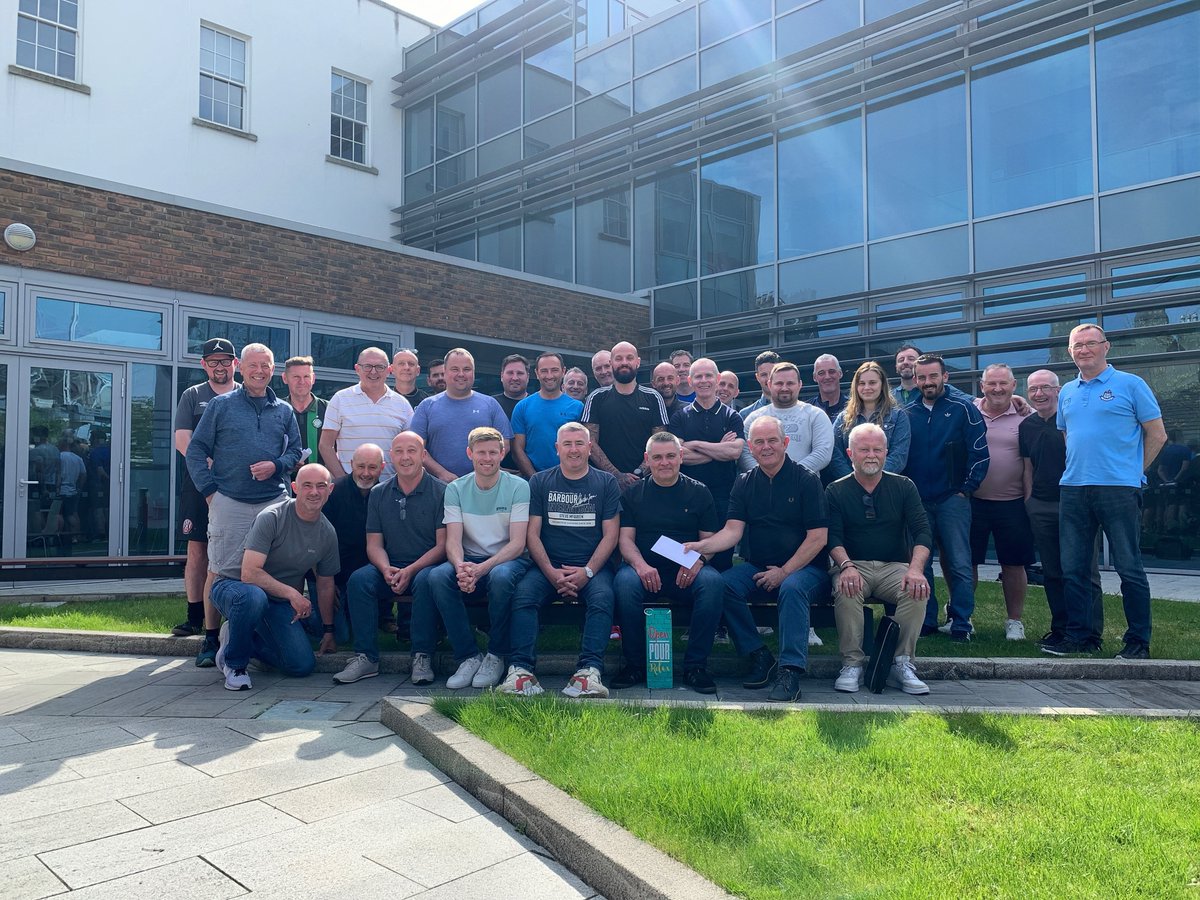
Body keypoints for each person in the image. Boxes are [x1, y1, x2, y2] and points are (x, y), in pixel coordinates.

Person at [1051, 324, 1166, 659]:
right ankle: (1081, 637)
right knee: (1073, 568)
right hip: (1073, 488)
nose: (1084, 350)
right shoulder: (1068, 391)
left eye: (1091, 343)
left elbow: (1157, 434)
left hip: (1118, 488)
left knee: (1129, 567)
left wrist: (1134, 473)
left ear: (1107, 346)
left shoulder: (1131, 384)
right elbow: (1067, 435)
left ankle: (1138, 641)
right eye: (1077, 345)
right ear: (1070, 352)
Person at [686, 416, 822, 699]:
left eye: (773, 440)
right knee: (721, 585)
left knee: (792, 588)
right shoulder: (744, 483)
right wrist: (703, 546)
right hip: (758, 565)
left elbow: (818, 538)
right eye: (759, 442)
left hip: (806, 569)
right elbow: (733, 532)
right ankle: (759, 654)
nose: (766, 447)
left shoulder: (807, 480)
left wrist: (785, 571)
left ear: (785, 443)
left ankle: (790, 671)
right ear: (750, 447)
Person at [186, 342, 302, 664]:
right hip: (230, 501)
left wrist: (276, 465)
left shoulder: (284, 410)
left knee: (275, 569)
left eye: (266, 365)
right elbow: (196, 450)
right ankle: (210, 639)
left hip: (274, 502)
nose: (260, 371)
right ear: (241, 366)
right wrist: (210, 492)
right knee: (220, 570)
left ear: (273, 370)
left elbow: (295, 452)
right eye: (253, 365)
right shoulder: (220, 406)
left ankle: (265, 630)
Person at [501, 422, 621, 697]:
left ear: (590, 448)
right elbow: (532, 534)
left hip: (592, 567)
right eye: (567, 444)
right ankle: (520, 671)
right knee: (523, 596)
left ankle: (589, 672)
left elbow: (610, 535)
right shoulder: (540, 481)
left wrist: (587, 572)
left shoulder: (606, 482)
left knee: (603, 599)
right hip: (548, 566)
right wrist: (552, 572)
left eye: (580, 443)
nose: (574, 449)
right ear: (557, 449)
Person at [210, 464, 340, 691]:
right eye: (307, 485)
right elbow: (249, 573)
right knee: (253, 598)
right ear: (294, 488)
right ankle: (235, 665)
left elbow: (326, 583)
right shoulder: (272, 517)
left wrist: (328, 630)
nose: (314, 492)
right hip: (234, 586)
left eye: (321, 486)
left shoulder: (327, 533)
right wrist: (293, 594)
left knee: (301, 665)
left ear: (330, 489)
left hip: (276, 600)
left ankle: (239, 638)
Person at [613, 432, 724, 692]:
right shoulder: (633, 494)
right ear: (647, 460)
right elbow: (625, 540)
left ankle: (696, 667)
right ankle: (635, 665)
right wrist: (640, 566)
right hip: (644, 569)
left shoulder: (699, 492)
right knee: (624, 584)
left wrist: (699, 561)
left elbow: (709, 541)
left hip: (686, 570)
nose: (665, 462)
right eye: (658, 457)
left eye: (671, 456)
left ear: (681, 457)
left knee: (714, 583)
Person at [827, 423, 932, 695]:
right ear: (851, 453)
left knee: (916, 589)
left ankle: (901, 663)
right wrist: (846, 567)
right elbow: (832, 539)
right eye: (864, 449)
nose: (871, 455)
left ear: (886, 452)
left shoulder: (904, 486)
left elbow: (922, 531)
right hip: (853, 564)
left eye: (877, 449)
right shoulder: (835, 491)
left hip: (893, 567)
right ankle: (852, 664)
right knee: (846, 587)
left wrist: (916, 569)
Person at [333, 431, 447, 685]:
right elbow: (373, 544)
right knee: (359, 580)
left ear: (423, 456)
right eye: (399, 451)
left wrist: (411, 570)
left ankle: (422, 655)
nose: (405, 457)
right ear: (391, 457)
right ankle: (366, 657)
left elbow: (443, 546)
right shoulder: (379, 493)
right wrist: (386, 569)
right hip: (390, 566)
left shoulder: (442, 491)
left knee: (427, 581)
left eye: (412, 450)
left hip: (426, 565)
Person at [423, 427, 530, 690]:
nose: (487, 458)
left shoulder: (519, 487)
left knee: (501, 577)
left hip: (507, 559)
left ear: (502, 453)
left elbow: (517, 544)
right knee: (437, 576)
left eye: (493, 452)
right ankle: (468, 656)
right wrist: (461, 568)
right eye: (481, 452)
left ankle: (496, 654)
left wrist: (480, 570)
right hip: (469, 557)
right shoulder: (456, 488)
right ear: (470, 453)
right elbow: (452, 540)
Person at [902, 354, 989, 641]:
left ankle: (961, 622)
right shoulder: (906, 412)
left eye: (933, 376)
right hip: (918, 502)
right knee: (921, 564)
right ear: (915, 380)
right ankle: (926, 619)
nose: (928, 382)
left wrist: (967, 488)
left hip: (954, 498)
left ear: (945, 377)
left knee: (959, 562)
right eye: (922, 377)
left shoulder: (964, 409)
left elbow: (980, 453)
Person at [1020, 369, 1103, 651]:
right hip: (1041, 505)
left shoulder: (1070, 421)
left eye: (1045, 388)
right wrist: (1030, 500)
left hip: (1075, 502)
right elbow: (1027, 466)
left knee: (1082, 571)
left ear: (1058, 390)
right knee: (1053, 572)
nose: (1039, 394)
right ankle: (1061, 629)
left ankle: (1091, 634)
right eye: (1033, 389)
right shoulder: (1027, 425)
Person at [171, 337, 238, 646]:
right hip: (199, 484)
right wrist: (208, 464)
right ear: (204, 365)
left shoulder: (245, 394)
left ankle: (236, 613)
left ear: (235, 364)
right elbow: (181, 439)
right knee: (197, 548)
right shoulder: (192, 395)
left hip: (238, 484)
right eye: (213, 361)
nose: (220, 366)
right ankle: (194, 616)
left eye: (225, 360)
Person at [970, 364, 1035, 641]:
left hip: (1013, 503)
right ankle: (962, 616)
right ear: (981, 385)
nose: (997, 389)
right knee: (965, 562)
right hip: (972, 501)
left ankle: (1014, 621)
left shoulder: (1027, 416)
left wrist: (1029, 501)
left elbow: (1030, 464)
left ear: (1013, 386)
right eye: (991, 383)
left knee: (1013, 564)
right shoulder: (968, 410)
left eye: (1003, 384)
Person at [669, 357, 744, 571]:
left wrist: (696, 444)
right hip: (687, 497)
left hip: (723, 497)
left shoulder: (732, 416)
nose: (704, 381)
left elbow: (735, 451)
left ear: (717, 379)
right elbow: (679, 455)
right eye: (698, 376)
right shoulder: (679, 417)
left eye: (708, 375)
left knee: (721, 562)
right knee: (685, 557)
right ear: (690, 381)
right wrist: (718, 449)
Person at [316, 443, 384, 645]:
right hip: (331, 576)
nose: (365, 473)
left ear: (382, 467)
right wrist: (326, 583)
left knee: (350, 632)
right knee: (341, 635)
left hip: (367, 575)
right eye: (360, 466)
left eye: (372, 467)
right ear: (351, 464)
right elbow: (315, 543)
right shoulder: (333, 493)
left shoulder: (386, 494)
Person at [410, 348, 513, 482]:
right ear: (445, 372)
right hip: (438, 486)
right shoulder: (427, 406)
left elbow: (505, 444)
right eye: (455, 369)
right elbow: (416, 447)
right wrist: (441, 473)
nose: (461, 374)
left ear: (473, 373)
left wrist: (482, 470)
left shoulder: (490, 405)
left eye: (466, 369)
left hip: (482, 485)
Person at [581, 341, 669, 491]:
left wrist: (639, 474)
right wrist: (616, 475)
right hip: (605, 485)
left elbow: (659, 442)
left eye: (629, 358)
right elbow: (590, 442)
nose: (624, 363)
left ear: (638, 362)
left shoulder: (654, 397)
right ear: (611, 363)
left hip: (645, 485)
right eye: (619, 358)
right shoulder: (596, 398)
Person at [319, 347, 413, 480]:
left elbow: (410, 448)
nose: (373, 372)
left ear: (389, 370)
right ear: (357, 369)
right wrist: (343, 481)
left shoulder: (402, 404)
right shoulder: (340, 399)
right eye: (367, 366)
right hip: (350, 487)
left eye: (380, 367)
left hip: (389, 488)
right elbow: (325, 445)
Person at [741, 363, 834, 475]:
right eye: (779, 383)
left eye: (790, 383)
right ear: (769, 385)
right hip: (762, 488)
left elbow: (823, 453)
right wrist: (765, 475)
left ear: (800, 385)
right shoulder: (753, 419)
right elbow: (745, 453)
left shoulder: (816, 415)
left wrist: (791, 475)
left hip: (804, 488)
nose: (784, 388)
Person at [828, 361, 911, 480]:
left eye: (872, 383)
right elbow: (835, 453)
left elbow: (899, 456)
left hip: (885, 486)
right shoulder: (844, 418)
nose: (867, 387)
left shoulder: (898, 417)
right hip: (850, 488)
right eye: (862, 383)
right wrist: (853, 480)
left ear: (882, 385)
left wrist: (874, 479)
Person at [511, 352, 584, 477]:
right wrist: (535, 478)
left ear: (563, 371)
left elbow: (582, 448)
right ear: (537, 373)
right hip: (532, 480)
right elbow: (517, 450)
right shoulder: (522, 407)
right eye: (544, 371)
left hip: (569, 480)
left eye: (554, 370)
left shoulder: (578, 408)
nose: (549, 376)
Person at [282, 356, 328, 480]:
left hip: (321, 486)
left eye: (306, 376)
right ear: (285, 378)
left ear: (313, 378)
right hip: (284, 485)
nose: (302, 381)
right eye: (296, 377)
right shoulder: (276, 409)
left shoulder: (329, 409)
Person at [492, 353, 530, 472]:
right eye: (510, 373)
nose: (515, 378)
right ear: (502, 376)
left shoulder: (536, 404)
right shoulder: (490, 404)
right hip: (495, 474)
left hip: (532, 475)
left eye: (520, 373)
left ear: (528, 376)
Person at [739, 350, 780, 419]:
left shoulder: (799, 410)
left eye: (772, 373)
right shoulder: (746, 414)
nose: (769, 379)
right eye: (764, 375)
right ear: (757, 377)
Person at [810, 354, 846, 421]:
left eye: (831, 372)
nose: (827, 377)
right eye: (821, 373)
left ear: (840, 373)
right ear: (814, 377)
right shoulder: (807, 410)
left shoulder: (853, 407)